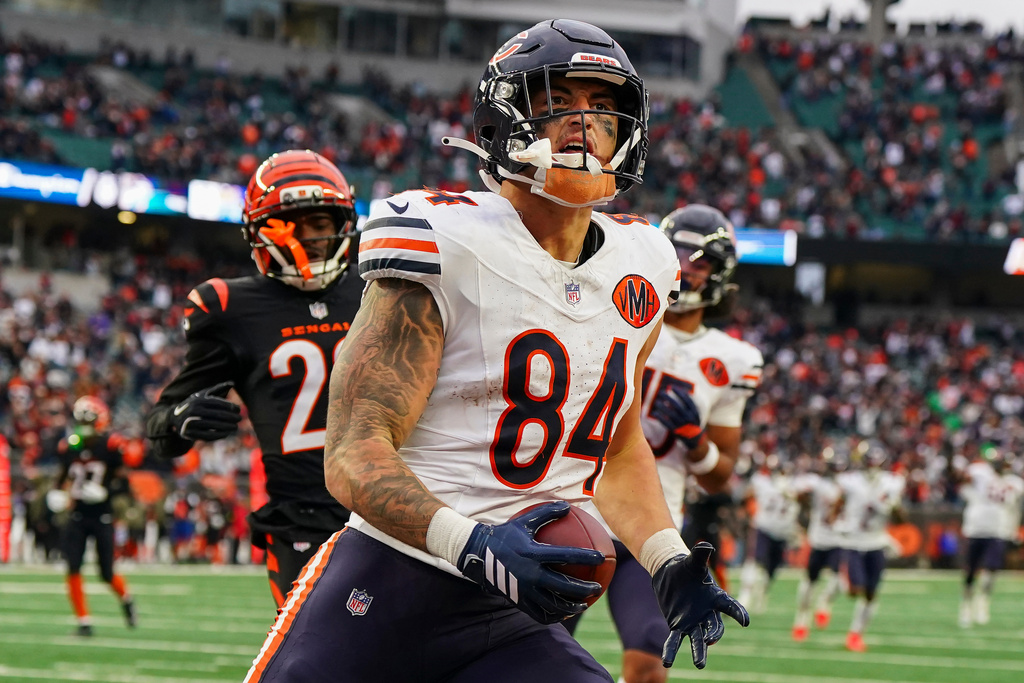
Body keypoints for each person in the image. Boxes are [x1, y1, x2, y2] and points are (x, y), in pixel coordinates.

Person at [244, 20, 748, 683]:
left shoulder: (645, 262)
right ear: (501, 120)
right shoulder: (443, 239)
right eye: (557, 101)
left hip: (514, 610)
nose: (583, 123)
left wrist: (666, 558)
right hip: (393, 578)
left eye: (602, 107)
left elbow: (619, 448)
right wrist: (474, 542)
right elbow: (353, 452)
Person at [145, 149, 363, 607]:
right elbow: (162, 430)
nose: (312, 239)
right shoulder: (231, 308)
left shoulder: (380, 287)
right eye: (293, 225)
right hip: (301, 520)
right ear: (259, 232)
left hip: (396, 506)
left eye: (321, 223)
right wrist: (179, 420)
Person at [565, 204, 763, 683]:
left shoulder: (734, 359)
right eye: (680, 252)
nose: (689, 266)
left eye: (703, 260)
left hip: (651, 522)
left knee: (651, 663)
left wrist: (695, 442)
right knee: (525, 651)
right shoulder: (613, 308)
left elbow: (719, 474)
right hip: (572, 504)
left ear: (721, 274)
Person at [48, 396, 137, 636]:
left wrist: (106, 491)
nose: (83, 426)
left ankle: (127, 599)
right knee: (73, 567)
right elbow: (62, 474)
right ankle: (83, 621)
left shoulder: (110, 446)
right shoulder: (70, 446)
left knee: (106, 572)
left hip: (103, 515)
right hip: (77, 514)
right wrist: (56, 492)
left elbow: (125, 484)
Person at [833, 441, 906, 652]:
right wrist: (834, 520)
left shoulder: (892, 482)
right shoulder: (850, 481)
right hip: (854, 541)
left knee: (871, 594)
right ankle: (841, 580)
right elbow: (839, 502)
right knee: (856, 590)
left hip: (875, 541)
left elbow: (901, 519)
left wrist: (895, 506)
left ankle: (856, 634)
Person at [956, 447, 1024, 628]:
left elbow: (1016, 509)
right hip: (976, 528)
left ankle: (983, 601)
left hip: (999, 530)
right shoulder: (979, 473)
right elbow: (960, 479)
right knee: (971, 570)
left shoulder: (1015, 483)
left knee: (991, 568)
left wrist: (1014, 529)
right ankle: (966, 604)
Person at [791, 445, 847, 641]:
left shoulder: (849, 484)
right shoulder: (816, 483)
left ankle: (824, 602)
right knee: (809, 581)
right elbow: (797, 491)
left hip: (839, 538)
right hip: (819, 538)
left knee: (841, 581)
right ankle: (801, 619)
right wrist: (805, 505)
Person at [736, 453, 801, 614]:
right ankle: (746, 594)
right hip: (764, 527)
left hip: (782, 532)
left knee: (771, 567)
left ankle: (761, 590)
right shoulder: (763, 482)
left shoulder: (794, 485)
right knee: (755, 560)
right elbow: (744, 496)